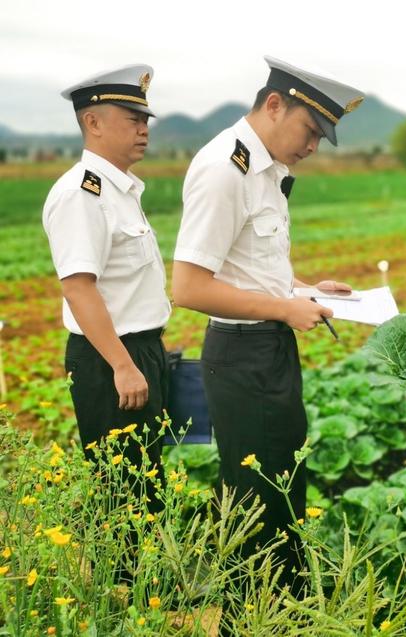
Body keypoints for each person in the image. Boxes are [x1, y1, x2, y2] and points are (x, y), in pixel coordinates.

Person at [171, 55, 364, 610]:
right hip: (241, 354)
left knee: (282, 489)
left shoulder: (267, 170)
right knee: (257, 501)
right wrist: (283, 310)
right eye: (310, 130)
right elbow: (188, 288)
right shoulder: (222, 169)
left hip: (266, 350)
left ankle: (284, 610)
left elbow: (251, 268)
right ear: (274, 104)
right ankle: (248, 616)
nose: (313, 146)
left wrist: (305, 290)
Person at [42, 65, 171, 579]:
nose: (144, 128)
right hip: (109, 357)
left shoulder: (119, 190)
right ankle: (124, 595)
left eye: (146, 118)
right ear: (92, 121)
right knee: (121, 485)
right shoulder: (82, 193)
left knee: (147, 477)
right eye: (132, 117)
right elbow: (78, 287)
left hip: (138, 351)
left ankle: (149, 585)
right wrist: (121, 364)